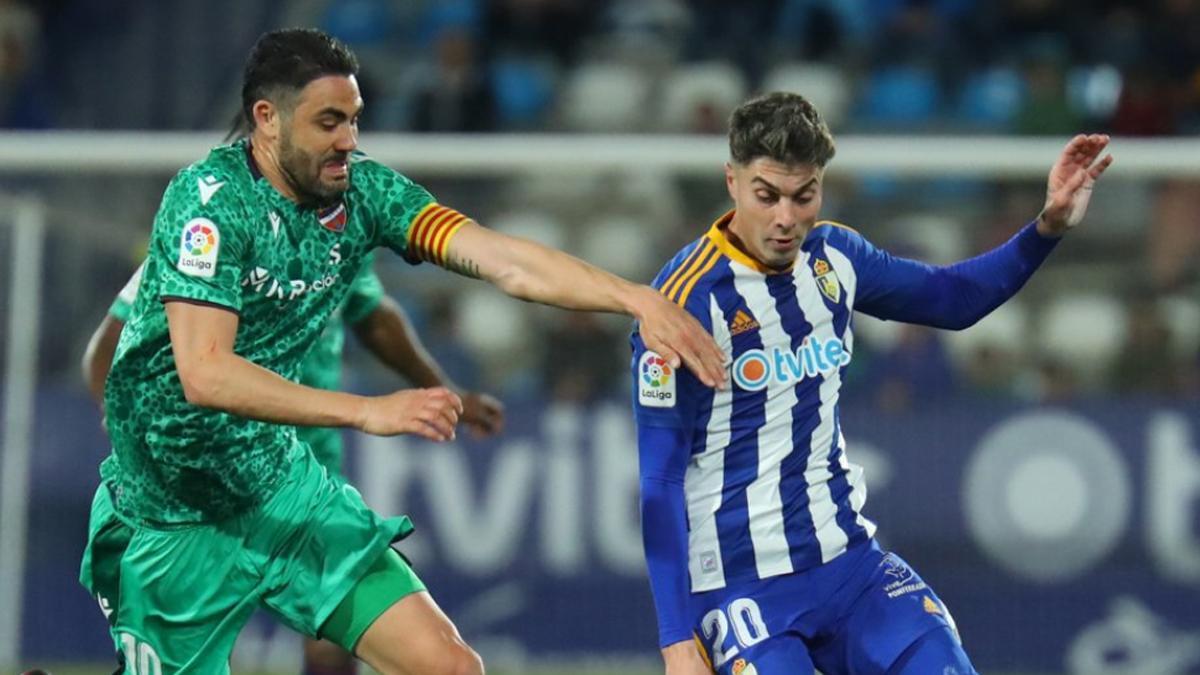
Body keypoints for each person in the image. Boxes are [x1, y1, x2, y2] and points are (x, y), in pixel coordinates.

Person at [79, 27, 725, 674]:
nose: (348, 141)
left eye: (354, 120)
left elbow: (500, 259)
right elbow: (205, 373)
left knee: (452, 667)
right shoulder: (208, 204)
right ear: (266, 120)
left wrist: (634, 298)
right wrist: (367, 410)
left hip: (276, 486)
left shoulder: (365, 194)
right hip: (169, 515)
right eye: (329, 122)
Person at [632, 91, 1112, 675]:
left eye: (803, 195)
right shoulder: (682, 301)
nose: (786, 218)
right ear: (732, 182)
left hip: (851, 566)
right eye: (768, 196)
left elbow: (952, 299)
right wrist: (675, 640)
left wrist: (1046, 227)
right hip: (740, 587)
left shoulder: (836, 257)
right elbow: (658, 480)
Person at [82, 255, 506, 675]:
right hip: (201, 500)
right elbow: (108, 346)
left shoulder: (342, 227)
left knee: (368, 654)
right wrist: (132, 438)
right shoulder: (206, 236)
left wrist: (444, 390)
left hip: (303, 479)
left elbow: (373, 315)